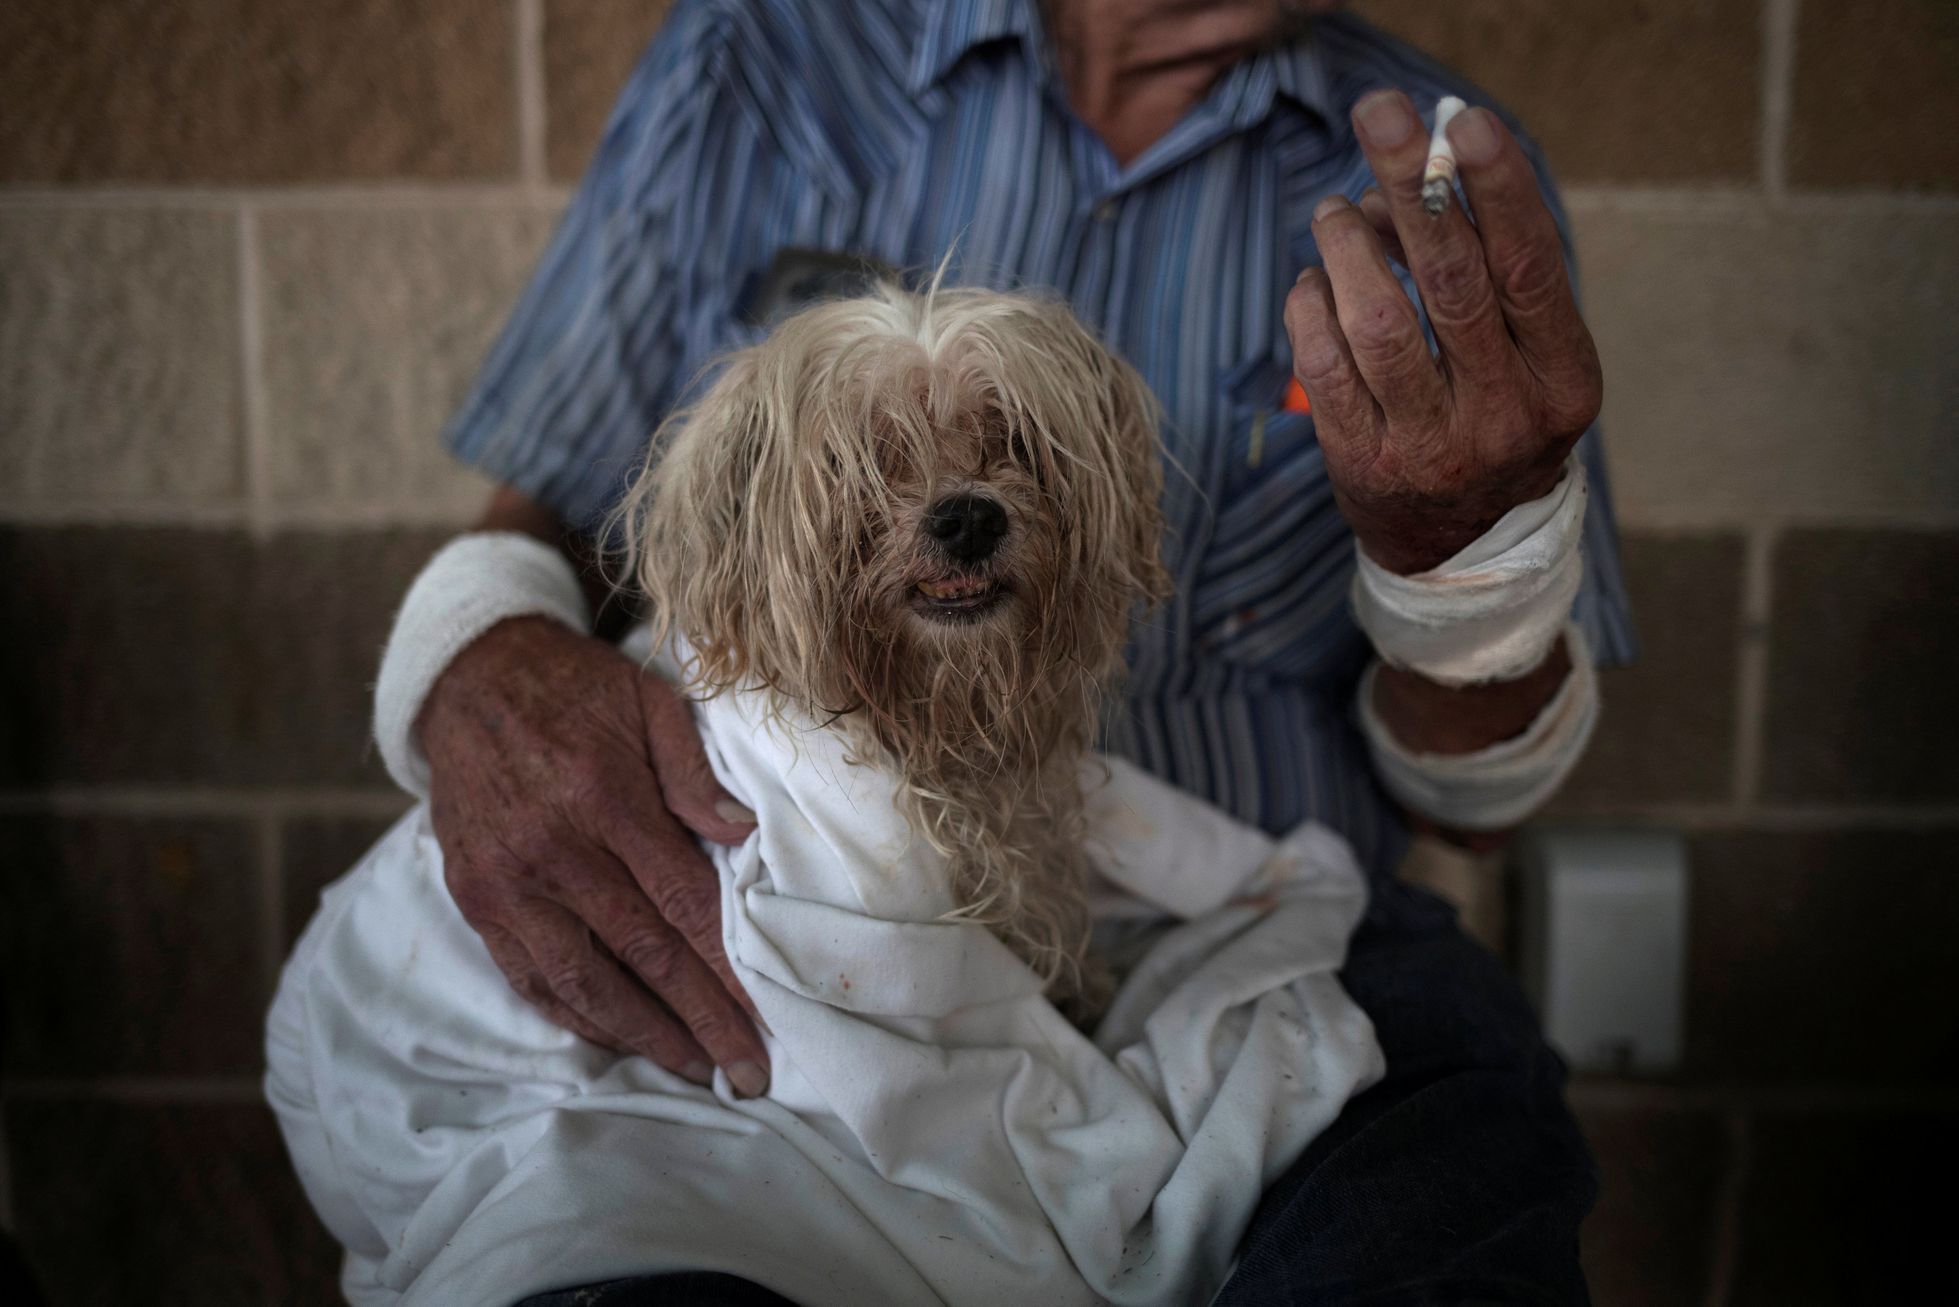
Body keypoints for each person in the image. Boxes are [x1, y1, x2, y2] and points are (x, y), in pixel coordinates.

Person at [408, 1, 1633, 1300]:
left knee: (1447, 1192)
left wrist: (1451, 567)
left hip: (1260, 917)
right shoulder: (766, 50)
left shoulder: (1433, 183)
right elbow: (544, 503)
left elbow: (1485, 806)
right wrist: (472, 667)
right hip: (797, 910)